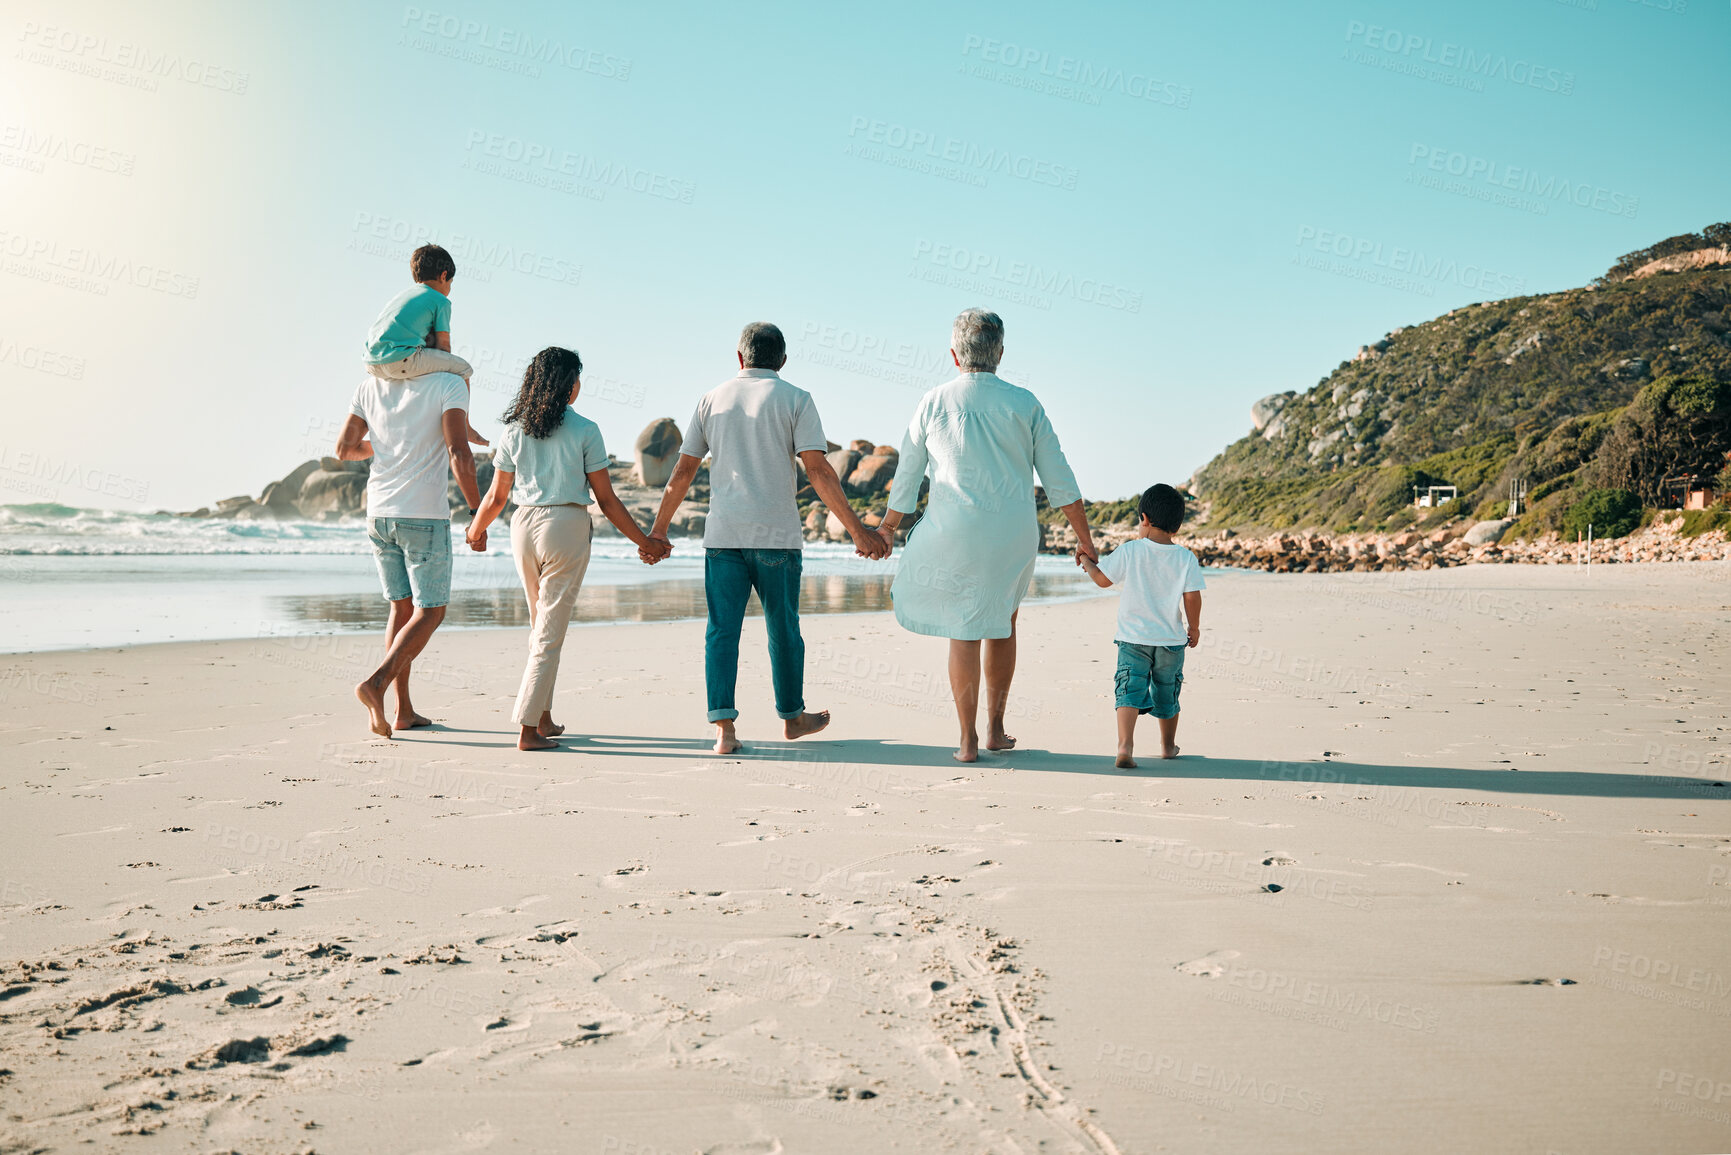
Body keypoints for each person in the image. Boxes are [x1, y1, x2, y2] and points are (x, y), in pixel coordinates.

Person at [649, 322, 888, 754]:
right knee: (784, 630)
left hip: (724, 536)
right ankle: (793, 718)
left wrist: (658, 531)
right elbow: (817, 469)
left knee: (721, 631)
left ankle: (724, 729)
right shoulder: (796, 398)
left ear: (739, 358)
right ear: (781, 360)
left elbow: (683, 471)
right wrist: (859, 531)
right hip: (776, 537)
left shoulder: (710, 399)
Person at [876, 309, 1097, 763]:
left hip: (953, 532)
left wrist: (886, 531)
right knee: (1003, 621)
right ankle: (995, 729)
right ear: (999, 353)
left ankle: (967, 740)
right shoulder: (1025, 402)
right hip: (1011, 535)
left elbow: (907, 478)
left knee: (964, 629)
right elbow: (1060, 478)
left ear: (954, 355)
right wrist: (1085, 539)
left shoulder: (933, 401)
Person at [465, 347, 670, 751]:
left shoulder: (513, 431)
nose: (579, 386)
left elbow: (496, 496)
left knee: (540, 624)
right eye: (577, 378)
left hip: (522, 526)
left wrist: (474, 531)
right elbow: (607, 501)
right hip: (565, 525)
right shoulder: (585, 429)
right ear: (567, 386)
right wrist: (644, 542)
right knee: (549, 630)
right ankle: (527, 728)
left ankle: (542, 717)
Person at [335, 368, 480, 738]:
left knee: (400, 608)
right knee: (430, 611)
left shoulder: (368, 386)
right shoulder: (450, 383)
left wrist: (389, 447)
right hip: (422, 515)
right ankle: (376, 684)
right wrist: (477, 510)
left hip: (378, 515)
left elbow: (344, 449)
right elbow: (458, 451)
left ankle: (403, 711)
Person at [1076, 483, 1205, 768]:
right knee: (1167, 690)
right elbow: (1192, 596)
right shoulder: (1185, 557)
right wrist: (1193, 628)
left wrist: (1085, 559)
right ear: (1177, 525)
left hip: (1133, 639)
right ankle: (1168, 746)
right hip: (1170, 641)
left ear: (1144, 519)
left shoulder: (1131, 550)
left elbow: (1102, 580)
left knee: (1129, 689)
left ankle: (1125, 746)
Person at [361, 243, 487, 447]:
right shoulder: (440, 300)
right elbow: (444, 347)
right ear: (444, 275)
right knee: (464, 369)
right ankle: (465, 425)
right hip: (400, 358)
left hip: (371, 363)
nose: (449, 290)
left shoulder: (401, 297)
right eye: (451, 283)